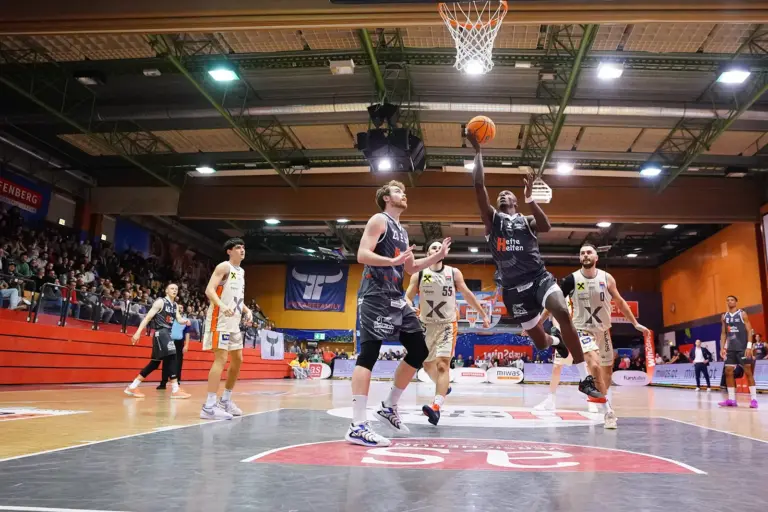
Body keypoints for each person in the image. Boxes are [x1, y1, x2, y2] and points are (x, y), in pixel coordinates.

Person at [467, 132, 603, 400]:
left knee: (561, 310)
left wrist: (532, 199)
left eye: (509, 193)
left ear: (516, 201)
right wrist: (478, 152)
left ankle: (583, 378)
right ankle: (557, 341)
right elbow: (479, 186)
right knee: (541, 342)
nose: (504, 194)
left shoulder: (527, 219)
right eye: (500, 194)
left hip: (540, 278)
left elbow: (546, 226)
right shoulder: (492, 221)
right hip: (514, 290)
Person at [346, 179, 451, 447]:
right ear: (386, 198)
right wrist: (390, 261)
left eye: (403, 191)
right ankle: (357, 425)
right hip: (374, 296)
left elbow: (411, 269)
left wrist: (435, 259)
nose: (403, 195)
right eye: (397, 192)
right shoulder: (378, 220)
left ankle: (389, 405)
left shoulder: (402, 231)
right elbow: (361, 254)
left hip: (395, 298)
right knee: (368, 353)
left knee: (419, 350)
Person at [405, 239, 490, 425]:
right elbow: (407, 297)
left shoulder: (453, 273)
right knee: (427, 366)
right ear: (428, 255)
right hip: (426, 325)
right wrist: (408, 306)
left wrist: (483, 314)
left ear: (444, 252)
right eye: (432, 248)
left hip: (447, 325)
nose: (436, 249)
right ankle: (444, 387)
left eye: (438, 247)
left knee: (443, 365)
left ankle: (436, 407)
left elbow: (468, 294)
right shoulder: (419, 275)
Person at [201, 238, 254, 420]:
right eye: (238, 247)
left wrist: (247, 310)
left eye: (243, 247)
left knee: (238, 359)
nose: (242, 250)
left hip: (234, 322)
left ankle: (226, 400)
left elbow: (237, 296)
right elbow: (209, 290)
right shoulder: (224, 266)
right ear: (229, 251)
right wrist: (222, 306)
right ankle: (208, 406)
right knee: (221, 358)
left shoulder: (241, 272)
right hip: (220, 319)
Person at [124, 283, 191, 399]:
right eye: (172, 288)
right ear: (166, 291)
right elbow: (147, 318)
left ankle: (133, 386)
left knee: (154, 363)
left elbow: (178, 318)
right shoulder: (160, 302)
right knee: (173, 356)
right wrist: (138, 332)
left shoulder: (175, 305)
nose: (174, 290)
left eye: (176, 289)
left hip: (166, 334)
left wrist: (184, 321)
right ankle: (175, 389)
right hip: (161, 332)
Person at [719, 295, 758, 408]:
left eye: (732, 300)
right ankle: (731, 399)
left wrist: (749, 347)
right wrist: (722, 348)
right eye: (728, 300)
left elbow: (750, 330)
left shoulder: (742, 314)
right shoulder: (724, 316)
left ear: (736, 302)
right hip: (731, 350)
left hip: (742, 349)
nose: (730, 302)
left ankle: (754, 400)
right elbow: (723, 333)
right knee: (728, 372)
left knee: (748, 372)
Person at [158, 303, 191, 389]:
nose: (180, 308)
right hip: (168, 341)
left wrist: (186, 345)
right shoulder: (170, 318)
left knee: (178, 362)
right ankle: (163, 383)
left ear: (183, 310)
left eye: (181, 307)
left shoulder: (185, 321)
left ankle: (177, 382)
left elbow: (187, 334)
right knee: (166, 362)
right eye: (178, 307)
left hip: (179, 343)